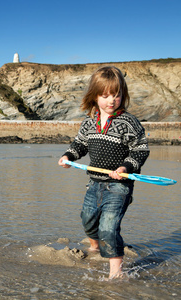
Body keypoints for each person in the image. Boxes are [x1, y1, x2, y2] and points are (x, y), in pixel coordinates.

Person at [58, 66, 150, 279]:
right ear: (94, 96)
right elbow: (80, 144)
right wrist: (68, 157)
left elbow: (140, 149)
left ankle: (115, 272)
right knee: (88, 220)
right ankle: (94, 246)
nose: (112, 100)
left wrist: (125, 167)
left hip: (119, 185)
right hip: (94, 183)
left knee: (109, 227)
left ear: (123, 95)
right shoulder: (89, 122)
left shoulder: (129, 122)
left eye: (117, 95)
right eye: (105, 95)